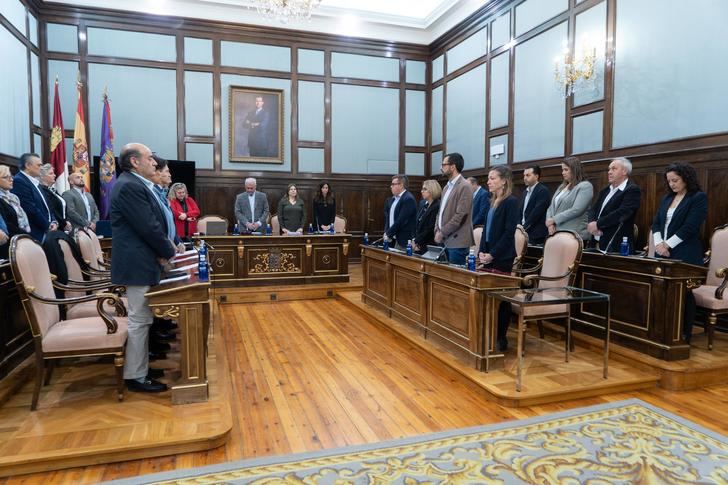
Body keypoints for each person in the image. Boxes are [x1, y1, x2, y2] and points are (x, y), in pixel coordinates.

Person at [110, 143, 176, 393]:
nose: (154, 162)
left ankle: (141, 368)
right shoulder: (129, 186)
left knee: (144, 319)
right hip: (137, 263)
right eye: (149, 158)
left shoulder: (134, 184)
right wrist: (168, 252)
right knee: (139, 320)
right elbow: (148, 227)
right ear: (135, 162)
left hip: (142, 261)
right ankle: (135, 376)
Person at [651, 162, 708, 343]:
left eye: (675, 180)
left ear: (686, 178)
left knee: (684, 293)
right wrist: (659, 244)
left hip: (685, 253)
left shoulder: (698, 197)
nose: (672, 184)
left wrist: (668, 245)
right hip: (663, 253)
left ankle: (684, 334)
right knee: (663, 292)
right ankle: (664, 331)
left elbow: (690, 227)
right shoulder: (667, 199)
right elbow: (657, 223)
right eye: (669, 181)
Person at [478, 166, 518, 351]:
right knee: (487, 297)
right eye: (488, 178)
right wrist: (481, 252)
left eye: (492, 178)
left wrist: (493, 254)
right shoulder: (492, 201)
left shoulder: (511, 202)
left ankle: (500, 337)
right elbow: (486, 230)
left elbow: (509, 233)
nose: (488, 181)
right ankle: (486, 332)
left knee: (501, 298)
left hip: (502, 257)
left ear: (503, 181)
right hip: (488, 256)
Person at [588, 157, 641, 253]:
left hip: (616, 245)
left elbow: (622, 213)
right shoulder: (605, 190)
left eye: (614, 169)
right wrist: (592, 224)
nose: (609, 172)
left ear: (624, 171)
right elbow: (593, 209)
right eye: (609, 169)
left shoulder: (632, 190)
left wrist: (598, 224)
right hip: (596, 241)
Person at [434, 153, 473, 264]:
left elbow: (461, 215)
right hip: (444, 240)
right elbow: (440, 212)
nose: (441, 168)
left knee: (454, 278)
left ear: (453, 166)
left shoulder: (465, 186)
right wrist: (437, 229)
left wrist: (442, 232)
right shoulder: (446, 187)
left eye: (443, 164)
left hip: (457, 241)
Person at [545, 157, 593, 240]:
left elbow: (577, 210)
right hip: (556, 233)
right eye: (562, 170)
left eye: (566, 170)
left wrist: (554, 220)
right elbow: (551, 208)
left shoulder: (585, 186)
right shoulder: (561, 187)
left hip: (574, 235)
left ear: (575, 170)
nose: (563, 173)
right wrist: (550, 224)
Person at [12, 153, 54, 241]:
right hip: (36, 233)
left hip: (47, 230)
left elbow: (48, 207)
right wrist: (47, 225)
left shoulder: (35, 183)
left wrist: (53, 221)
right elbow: (30, 209)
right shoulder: (19, 181)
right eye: (39, 165)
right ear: (28, 165)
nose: (41, 167)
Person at [0, 165, 31, 259]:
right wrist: (24, 234)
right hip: (8, 244)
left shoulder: (14, 198)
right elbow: (7, 224)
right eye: (6, 177)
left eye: (11, 176)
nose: (11, 179)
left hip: (21, 239)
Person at [518, 165, 550, 245]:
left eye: (528, 175)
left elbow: (536, 213)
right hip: (523, 231)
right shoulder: (525, 192)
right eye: (524, 175)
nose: (525, 178)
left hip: (536, 234)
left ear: (536, 176)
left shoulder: (543, 191)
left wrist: (523, 229)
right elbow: (521, 212)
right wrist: (518, 227)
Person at [384, 174, 417, 249]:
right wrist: (386, 232)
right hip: (393, 238)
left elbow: (401, 220)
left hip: (404, 241)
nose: (391, 186)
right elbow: (388, 217)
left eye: (393, 184)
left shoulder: (408, 199)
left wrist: (388, 233)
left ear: (401, 185)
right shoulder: (393, 199)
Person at [38, 164, 71, 232]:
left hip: (63, 227)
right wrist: (64, 224)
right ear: (42, 177)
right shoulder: (42, 191)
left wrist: (67, 221)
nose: (55, 175)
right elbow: (52, 210)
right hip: (54, 227)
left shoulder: (53, 190)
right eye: (51, 173)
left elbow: (63, 207)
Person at [413, 179, 441, 254]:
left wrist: (416, 241)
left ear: (432, 190)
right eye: (422, 189)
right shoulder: (422, 203)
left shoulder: (437, 205)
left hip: (430, 244)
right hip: (418, 243)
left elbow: (430, 228)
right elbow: (417, 223)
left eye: (425, 189)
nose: (422, 191)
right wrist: (414, 240)